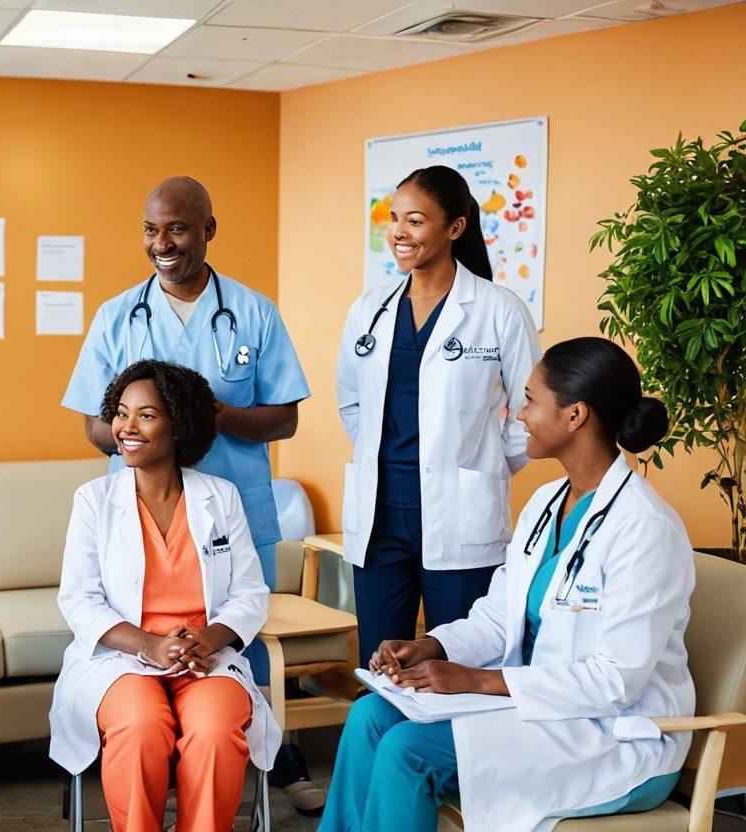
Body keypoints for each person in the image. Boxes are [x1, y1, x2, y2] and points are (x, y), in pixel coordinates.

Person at [319, 337, 695, 832]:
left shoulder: (645, 528)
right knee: (370, 717)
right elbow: (499, 615)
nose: (519, 414)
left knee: (409, 750)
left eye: (531, 400)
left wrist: (476, 680)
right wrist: (432, 646)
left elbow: (615, 682)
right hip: (537, 711)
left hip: (616, 737)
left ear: (575, 415)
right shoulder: (546, 502)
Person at [62, 176, 316, 805]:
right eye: (151, 230)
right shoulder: (116, 315)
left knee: (241, 645)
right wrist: (146, 430)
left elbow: (284, 418)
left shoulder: (254, 312)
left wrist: (208, 417)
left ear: (208, 230)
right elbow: (93, 425)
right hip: (140, 504)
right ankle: (153, 766)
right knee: (144, 691)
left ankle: (270, 760)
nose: (161, 242)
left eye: (176, 228)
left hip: (231, 503)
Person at [50, 360, 280, 832]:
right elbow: (78, 599)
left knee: (215, 730)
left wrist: (209, 638)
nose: (126, 427)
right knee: (139, 728)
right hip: (122, 659)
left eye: (147, 415)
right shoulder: (94, 500)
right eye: (121, 413)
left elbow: (250, 593)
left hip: (203, 658)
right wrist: (150, 645)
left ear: (180, 425)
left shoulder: (221, 496)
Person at [336, 164, 543, 666]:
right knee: (381, 663)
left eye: (415, 221)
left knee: (461, 664)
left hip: (463, 518)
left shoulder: (498, 309)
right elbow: (351, 402)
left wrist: (485, 466)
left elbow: (531, 409)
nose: (398, 233)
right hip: (380, 521)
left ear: (455, 227)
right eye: (394, 219)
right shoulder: (369, 310)